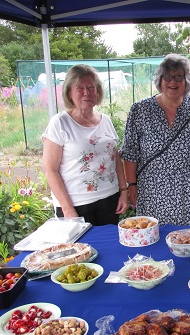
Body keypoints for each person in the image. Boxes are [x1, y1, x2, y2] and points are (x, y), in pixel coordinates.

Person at [119, 53, 190, 226]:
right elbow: (130, 153)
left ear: (187, 81)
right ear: (160, 80)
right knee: (154, 238)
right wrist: (131, 185)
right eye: (168, 77)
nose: (173, 82)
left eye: (179, 77)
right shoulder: (140, 110)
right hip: (152, 192)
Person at [42, 64, 128, 225]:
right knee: (81, 250)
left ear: (98, 91)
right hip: (77, 205)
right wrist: (67, 209)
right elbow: (50, 170)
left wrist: (123, 191)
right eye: (80, 88)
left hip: (110, 200)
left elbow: (115, 158)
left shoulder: (106, 121)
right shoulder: (60, 123)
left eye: (91, 88)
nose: (86, 93)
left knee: (108, 247)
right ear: (69, 92)